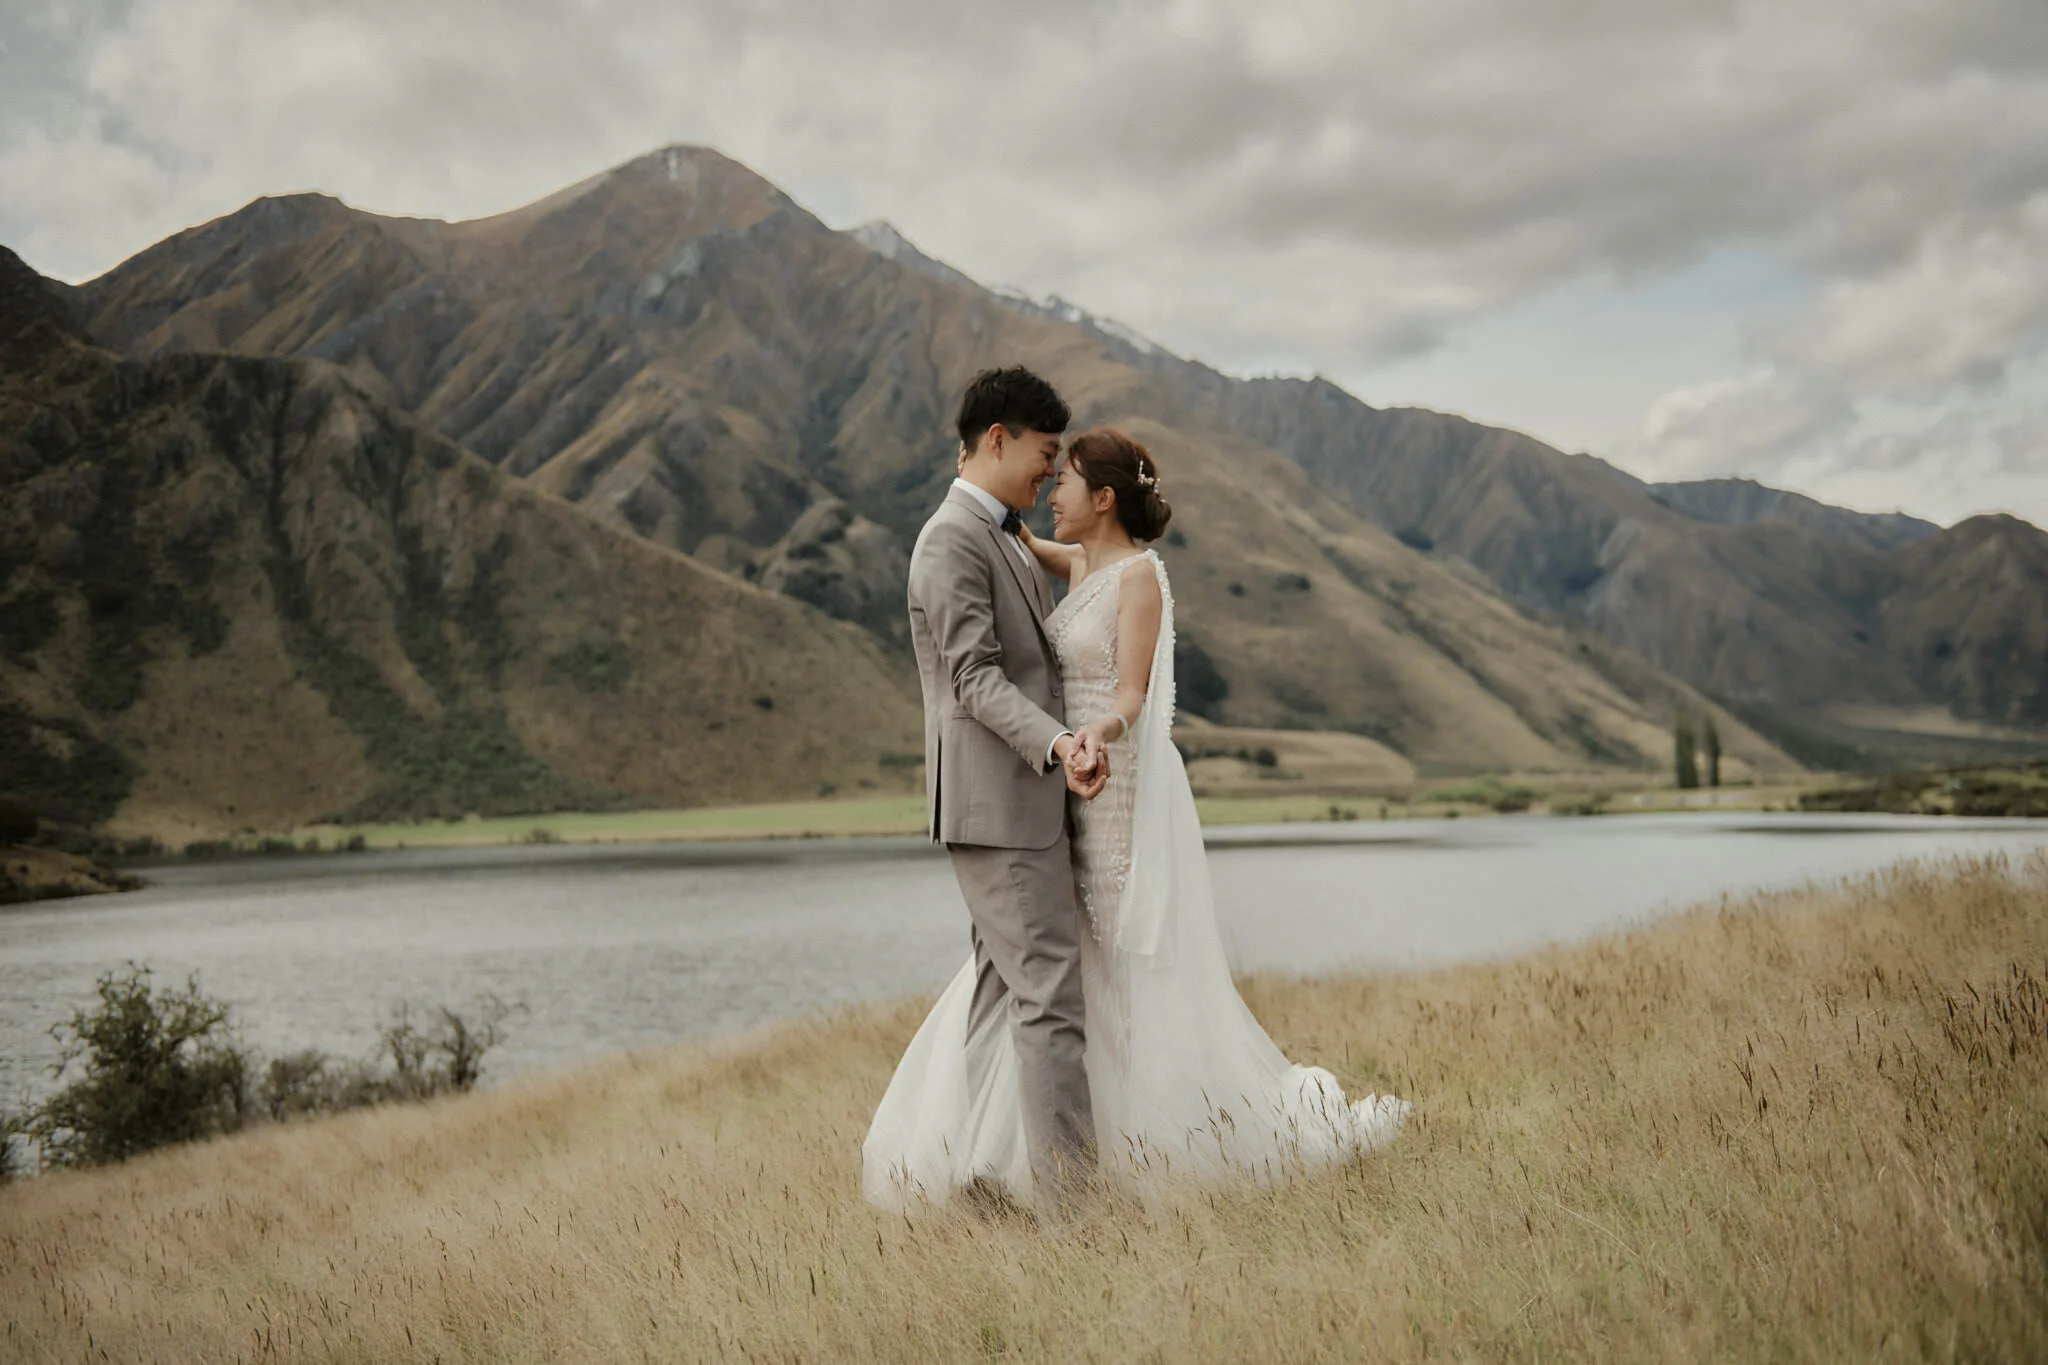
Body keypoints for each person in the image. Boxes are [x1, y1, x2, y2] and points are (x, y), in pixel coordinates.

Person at [864, 406, 1413, 1217]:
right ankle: (1059, 1162)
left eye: (1068, 477)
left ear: (1106, 498)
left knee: (1115, 957)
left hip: (1110, 780)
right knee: (1072, 963)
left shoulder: (1137, 577)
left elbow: (1132, 690)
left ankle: (1140, 1153)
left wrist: (1094, 734)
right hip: (1064, 778)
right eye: (1047, 469)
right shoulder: (1078, 560)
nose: (1054, 488)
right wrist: (980, 495)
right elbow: (1010, 544)